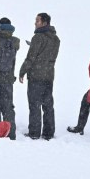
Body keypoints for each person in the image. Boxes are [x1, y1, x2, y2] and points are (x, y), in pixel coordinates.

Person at [18, 12, 60, 140]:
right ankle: (48, 133)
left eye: (37, 21)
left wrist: (22, 71)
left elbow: (31, 57)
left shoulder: (38, 37)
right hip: (49, 76)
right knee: (48, 106)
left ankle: (34, 133)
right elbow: (49, 56)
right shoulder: (56, 39)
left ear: (44, 22)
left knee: (34, 105)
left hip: (36, 76)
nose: (35, 23)